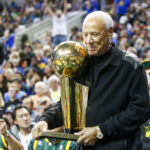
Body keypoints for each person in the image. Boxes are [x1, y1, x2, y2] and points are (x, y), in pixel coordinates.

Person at [32, 11, 150, 150]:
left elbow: (140, 110)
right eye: (85, 35)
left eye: (94, 34)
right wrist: (46, 120)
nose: (89, 41)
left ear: (110, 32)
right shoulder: (79, 63)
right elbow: (68, 104)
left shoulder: (130, 65)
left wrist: (101, 131)